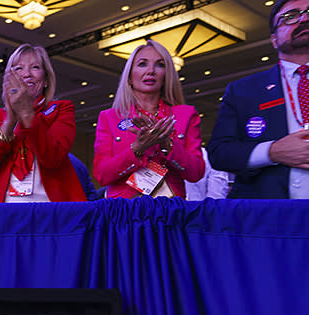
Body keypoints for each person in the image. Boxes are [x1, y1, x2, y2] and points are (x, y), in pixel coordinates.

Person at [207, 0, 309, 198]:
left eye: (308, 12)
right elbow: (219, 154)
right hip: (267, 216)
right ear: (274, 40)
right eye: (290, 16)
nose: (304, 18)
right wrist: (272, 152)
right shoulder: (242, 91)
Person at [93, 40, 204, 198]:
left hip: (170, 210)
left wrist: (168, 146)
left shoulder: (186, 115)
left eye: (159, 64)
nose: (151, 71)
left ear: (167, 76)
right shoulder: (109, 117)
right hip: (124, 211)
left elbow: (196, 173)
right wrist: (136, 150)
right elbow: (102, 175)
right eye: (142, 64)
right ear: (130, 77)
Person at [0, 44, 86, 203]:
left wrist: (27, 115)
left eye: (35, 67)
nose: (27, 74)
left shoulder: (61, 109)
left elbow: (52, 158)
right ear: (8, 79)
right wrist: (9, 123)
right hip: (2, 214)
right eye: (19, 69)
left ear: (46, 80)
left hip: (51, 211)